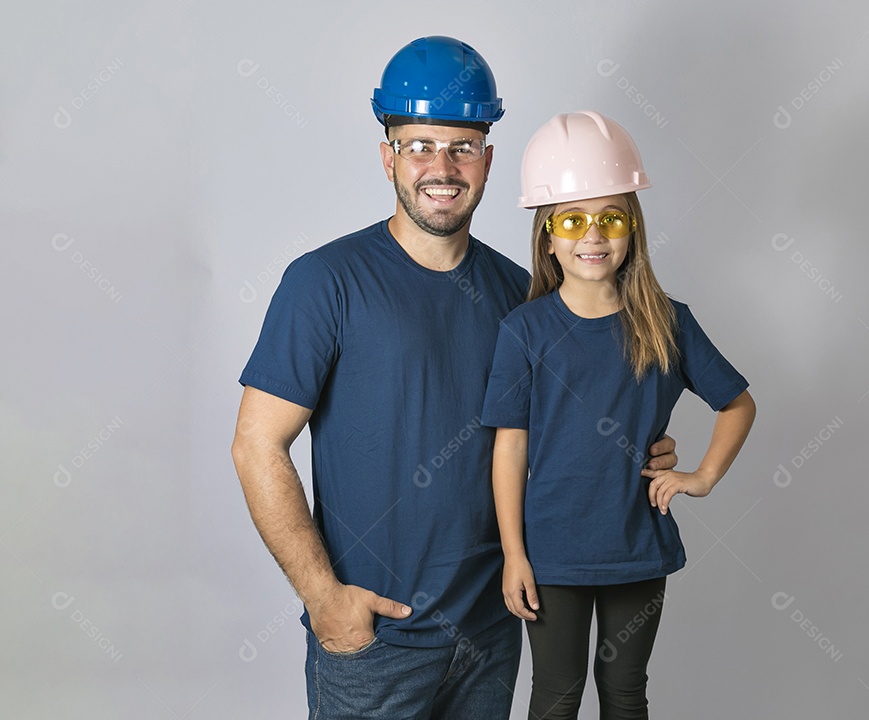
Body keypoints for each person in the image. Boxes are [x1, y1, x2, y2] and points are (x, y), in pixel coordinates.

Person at [230, 39, 678, 719]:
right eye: (418, 145)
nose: (441, 167)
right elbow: (255, 445)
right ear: (387, 156)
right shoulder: (325, 283)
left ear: (488, 160)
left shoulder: (523, 296)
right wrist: (324, 596)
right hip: (375, 640)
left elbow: (562, 434)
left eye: (462, 146)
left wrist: (642, 450)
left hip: (491, 634)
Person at [481, 111, 757, 720]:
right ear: (547, 236)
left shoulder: (668, 321)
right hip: (551, 551)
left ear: (633, 228)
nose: (593, 236)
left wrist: (702, 475)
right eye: (573, 220)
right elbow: (511, 447)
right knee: (556, 696)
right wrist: (514, 553)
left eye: (611, 218)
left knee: (625, 692)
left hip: (637, 544)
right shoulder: (523, 330)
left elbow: (736, 404)